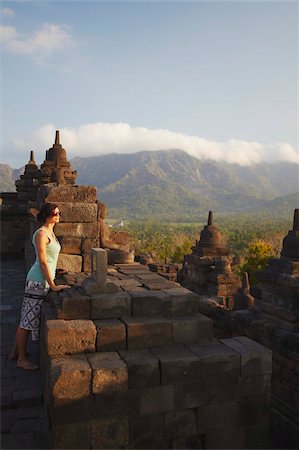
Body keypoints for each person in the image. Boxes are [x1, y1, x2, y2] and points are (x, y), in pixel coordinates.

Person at [9, 203, 70, 370]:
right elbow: (42, 261)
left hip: (43, 279)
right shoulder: (41, 234)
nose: (58, 215)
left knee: (27, 317)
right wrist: (53, 285)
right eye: (55, 213)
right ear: (47, 215)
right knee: (26, 321)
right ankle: (21, 359)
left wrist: (56, 270)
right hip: (37, 281)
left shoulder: (50, 232)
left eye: (59, 212)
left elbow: (49, 259)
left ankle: (15, 353)